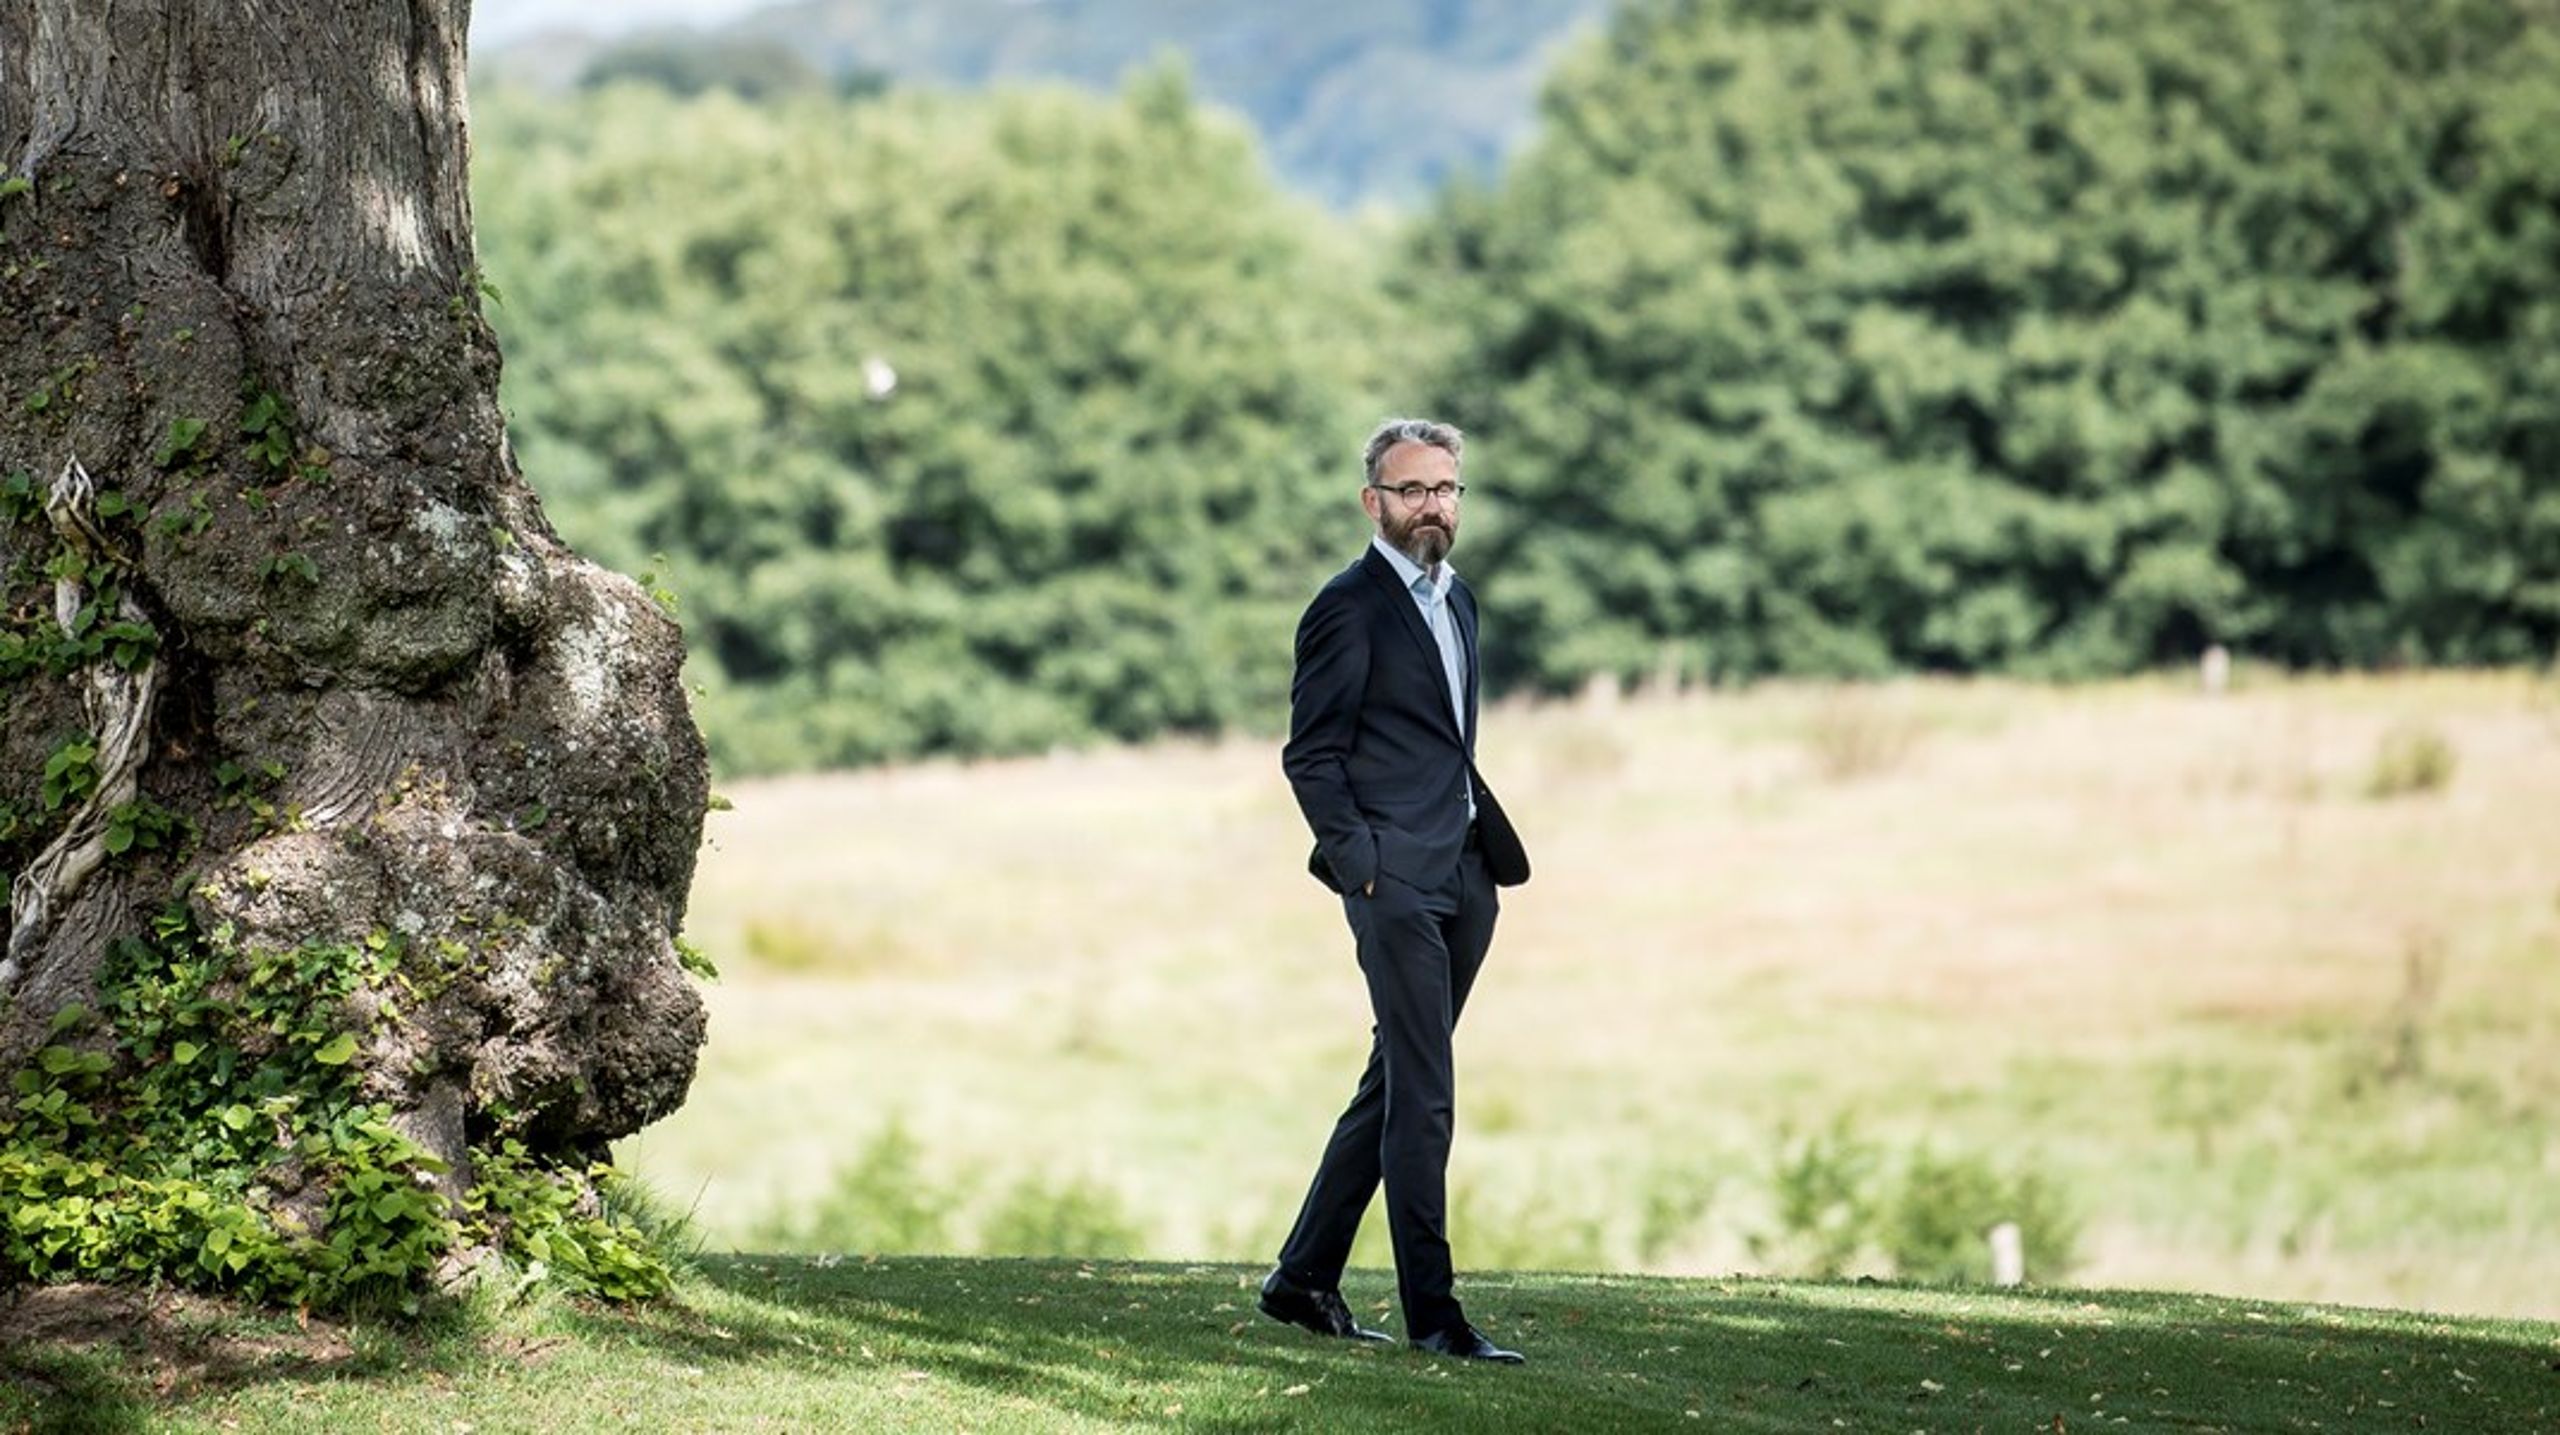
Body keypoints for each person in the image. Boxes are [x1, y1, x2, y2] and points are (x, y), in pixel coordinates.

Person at [1258, 417, 1532, 1363]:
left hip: (1466, 871)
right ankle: (1436, 1317)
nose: (1433, 506)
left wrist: (1461, 855)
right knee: (1425, 1091)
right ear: (1373, 502)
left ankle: (1301, 1279)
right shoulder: (1348, 606)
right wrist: (1363, 863)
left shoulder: (1459, 602)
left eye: (1447, 489)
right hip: (1394, 881)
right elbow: (1311, 754)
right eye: (1413, 490)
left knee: (1394, 1082)